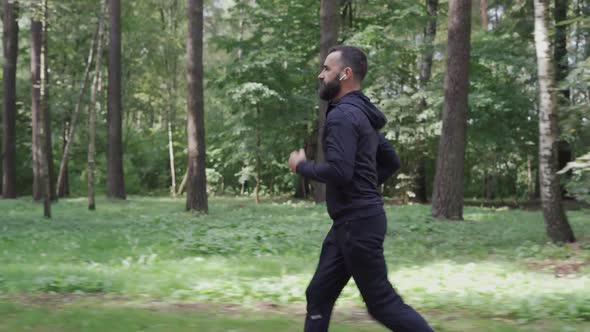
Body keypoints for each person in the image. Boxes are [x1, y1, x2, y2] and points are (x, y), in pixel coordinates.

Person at [288, 46, 434, 332]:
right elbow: (390, 161)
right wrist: (364, 189)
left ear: (345, 74)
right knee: (318, 294)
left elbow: (340, 172)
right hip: (350, 222)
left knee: (382, 303)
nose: (320, 75)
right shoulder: (362, 115)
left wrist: (301, 167)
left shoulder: (343, 117)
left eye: (326, 69)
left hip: (357, 224)